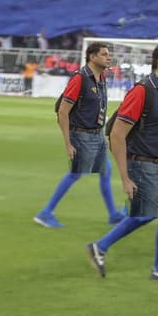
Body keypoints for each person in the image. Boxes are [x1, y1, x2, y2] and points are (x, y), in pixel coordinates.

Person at [85, 41, 158, 281]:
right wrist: (125, 177)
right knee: (145, 215)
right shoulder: (143, 91)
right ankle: (100, 246)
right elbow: (117, 134)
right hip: (145, 165)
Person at [33, 41, 124, 228]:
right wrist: (68, 142)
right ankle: (46, 212)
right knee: (76, 174)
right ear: (92, 57)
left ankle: (113, 215)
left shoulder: (101, 78)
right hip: (81, 135)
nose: (109, 58)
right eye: (104, 54)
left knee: (105, 172)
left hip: (95, 135)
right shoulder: (80, 78)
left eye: (109, 54)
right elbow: (63, 111)